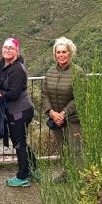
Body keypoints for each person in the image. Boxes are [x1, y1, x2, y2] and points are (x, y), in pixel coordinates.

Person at [39, 37, 85, 181]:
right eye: (58, 52)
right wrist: (52, 113)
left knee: (75, 148)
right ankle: (67, 174)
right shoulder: (50, 71)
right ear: (55, 54)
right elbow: (44, 94)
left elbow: (80, 97)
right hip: (55, 118)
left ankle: (80, 178)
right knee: (63, 148)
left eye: (64, 52)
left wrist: (64, 113)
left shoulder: (78, 72)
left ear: (70, 53)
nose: (61, 55)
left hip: (73, 118)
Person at [0, 37, 36, 187]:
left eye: (11, 48)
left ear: (17, 51)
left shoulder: (17, 69)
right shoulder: (3, 63)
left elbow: (14, 93)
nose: (7, 50)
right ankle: (33, 169)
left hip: (20, 111)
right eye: (5, 47)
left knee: (18, 143)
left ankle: (23, 176)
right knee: (21, 141)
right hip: (13, 110)